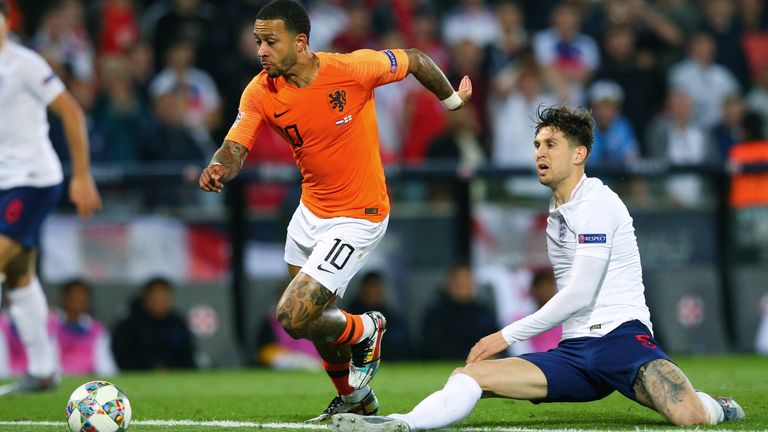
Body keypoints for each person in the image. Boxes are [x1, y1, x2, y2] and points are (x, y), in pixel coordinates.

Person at [329, 106, 745, 432]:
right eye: (536, 144)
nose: (539, 153)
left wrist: (503, 336)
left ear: (579, 154)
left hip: (622, 341)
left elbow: (581, 294)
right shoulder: (556, 212)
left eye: (551, 144)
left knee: (689, 416)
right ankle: (403, 422)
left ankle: (718, 406)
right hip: (576, 354)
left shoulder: (597, 203)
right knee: (470, 375)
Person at [197, 0, 471, 421]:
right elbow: (236, 144)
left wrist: (452, 103)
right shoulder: (260, 91)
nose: (261, 51)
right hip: (310, 214)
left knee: (293, 316)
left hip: (359, 214)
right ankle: (355, 400)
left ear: (301, 42)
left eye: (270, 41)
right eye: (258, 42)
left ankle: (367, 328)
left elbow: (414, 59)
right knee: (314, 323)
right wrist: (221, 165)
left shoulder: (352, 69)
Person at [0, 0, 101, 395]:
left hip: (33, 180)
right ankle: (43, 372)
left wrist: (82, 176)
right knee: (18, 275)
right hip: (5, 182)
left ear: (7, 24)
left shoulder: (25, 64)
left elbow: (71, 112)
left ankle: (42, 370)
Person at [111, 277, 196, 370]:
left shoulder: (177, 323)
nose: (160, 301)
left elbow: (188, 356)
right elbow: (123, 358)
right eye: (156, 297)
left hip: (174, 374)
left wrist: (168, 368)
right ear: (146, 298)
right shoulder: (128, 326)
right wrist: (150, 367)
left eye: (164, 297)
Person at [421, 263, 496, 360]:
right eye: (460, 281)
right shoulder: (436, 314)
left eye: (468, 281)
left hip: (482, 364)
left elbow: (496, 338)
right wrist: (470, 357)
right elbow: (433, 347)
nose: (464, 285)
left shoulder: (483, 312)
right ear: (449, 283)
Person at [49, 279, 118, 376]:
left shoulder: (97, 329)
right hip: (60, 377)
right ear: (64, 298)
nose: (79, 301)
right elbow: (49, 361)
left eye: (83, 297)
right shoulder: (51, 326)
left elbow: (105, 365)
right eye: (75, 297)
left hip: (89, 379)